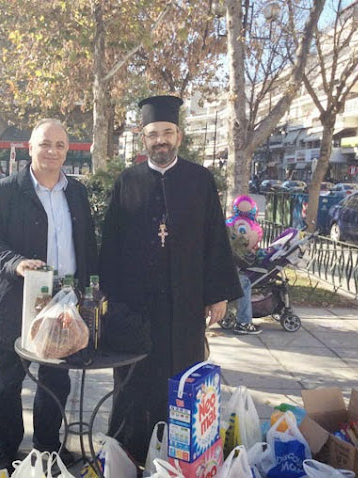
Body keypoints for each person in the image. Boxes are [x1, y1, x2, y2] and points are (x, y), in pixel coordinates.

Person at [99, 95, 243, 464]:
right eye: (152, 134)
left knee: (181, 381)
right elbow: (110, 245)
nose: (160, 140)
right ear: (143, 138)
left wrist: (218, 294)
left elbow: (215, 238)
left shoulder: (199, 180)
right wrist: (107, 299)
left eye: (166, 133)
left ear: (178, 136)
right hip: (135, 307)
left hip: (185, 304)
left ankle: (179, 460)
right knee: (133, 382)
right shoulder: (127, 182)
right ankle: (127, 456)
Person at [0, 118, 98, 473]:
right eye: (45, 144)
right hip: (19, 301)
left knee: (56, 381)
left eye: (60, 145)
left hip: (67, 303)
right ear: (30, 147)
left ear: (67, 151)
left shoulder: (77, 192)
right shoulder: (2, 192)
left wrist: (91, 292)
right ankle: (7, 451)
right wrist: (15, 263)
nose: (52, 151)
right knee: (9, 382)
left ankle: (47, 447)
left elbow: (87, 245)